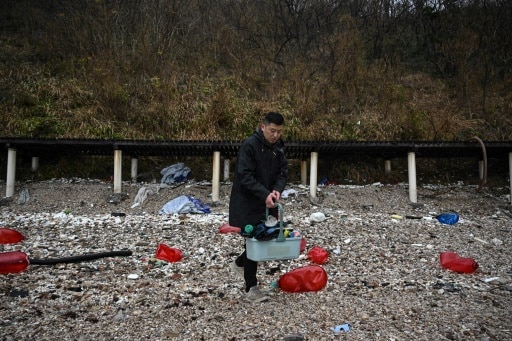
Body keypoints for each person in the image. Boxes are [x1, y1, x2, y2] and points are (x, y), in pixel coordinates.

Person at [229, 111, 289, 302]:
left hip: (268, 200)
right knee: (252, 240)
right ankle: (251, 288)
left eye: (279, 131)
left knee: (264, 237)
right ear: (263, 127)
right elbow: (245, 175)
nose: (275, 135)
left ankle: (239, 263)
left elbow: (283, 172)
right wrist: (265, 194)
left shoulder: (278, 147)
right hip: (248, 201)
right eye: (272, 131)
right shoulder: (250, 145)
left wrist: (277, 190)